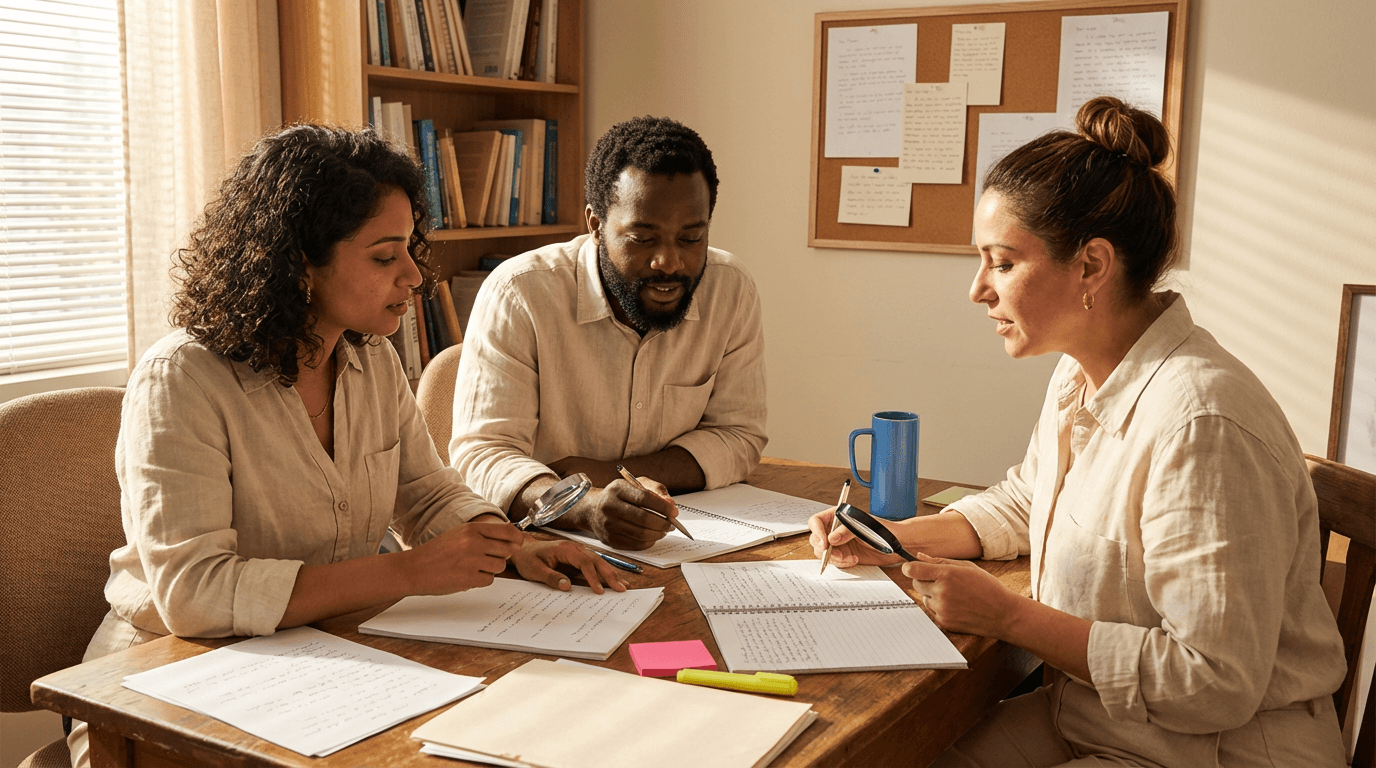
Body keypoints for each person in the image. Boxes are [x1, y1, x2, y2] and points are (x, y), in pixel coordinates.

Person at [809, 97, 1347, 766]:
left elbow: (1213, 684)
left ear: (1091, 266)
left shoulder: (1202, 424)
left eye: (1002, 263)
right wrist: (888, 540)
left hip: (1215, 750)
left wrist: (1008, 618)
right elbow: (1027, 500)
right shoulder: (1080, 374)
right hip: (1095, 716)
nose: (978, 289)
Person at [68, 124, 622, 767]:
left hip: (319, 661)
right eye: (385, 257)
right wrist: (408, 571)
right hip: (164, 690)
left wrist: (510, 544)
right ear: (299, 262)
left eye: (409, 250)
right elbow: (194, 593)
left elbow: (424, 492)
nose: (414, 275)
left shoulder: (371, 358)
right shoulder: (184, 380)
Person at [450, 116, 767, 551]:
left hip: (688, 545)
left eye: (691, 238)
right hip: (546, 549)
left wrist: (605, 472)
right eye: (642, 238)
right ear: (595, 225)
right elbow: (482, 455)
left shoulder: (730, 289)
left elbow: (740, 436)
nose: (669, 262)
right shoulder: (520, 293)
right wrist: (582, 507)